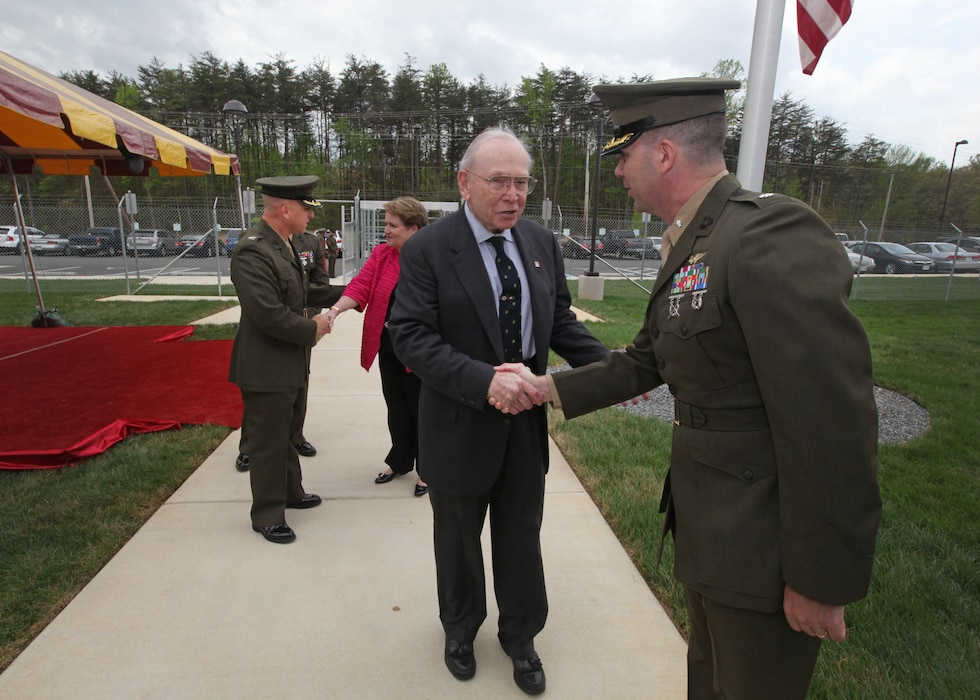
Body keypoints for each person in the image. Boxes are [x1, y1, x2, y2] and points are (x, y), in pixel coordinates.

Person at [496, 78, 882, 699]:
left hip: (763, 548)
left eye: (623, 155)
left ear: (664, 154)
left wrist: (821, 578)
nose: (618, 171)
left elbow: (831, 422)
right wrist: (548, 388)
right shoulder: (697, 238)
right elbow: (648, 359)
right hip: (712, 533)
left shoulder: (762, 236)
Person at [387, 126, 609, 695]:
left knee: (520, 537)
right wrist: (485, 381)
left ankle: (521, 638)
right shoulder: (428, 249)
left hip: (523, 432)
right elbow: (410, 335)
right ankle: (459, 629)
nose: (513, 195)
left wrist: (612, 369)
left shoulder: (538, 242)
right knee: (457, 540)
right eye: (499, 182)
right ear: (464, 182)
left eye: (522, 183)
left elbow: (558, 321)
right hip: (458, 426)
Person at [229, 175, 343, 544]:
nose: (310, 216)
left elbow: (306, 288)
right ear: (285, 209)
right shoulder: (254, 249)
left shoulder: (285, 244)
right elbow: (268, 313)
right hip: (266, 365)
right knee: (268, 441)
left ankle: (291, 492)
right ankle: (266, 513)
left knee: (288, 432)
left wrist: (356, 293)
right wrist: (314, 327)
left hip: (289, 361)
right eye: (306, 209)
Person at [323, 196, 429, 497]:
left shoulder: (431, 260)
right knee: (397, 407)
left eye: (393, 225)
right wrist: (335, 311)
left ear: (414, 229)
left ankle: (428, 470)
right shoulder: (383, 255)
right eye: (386, 224)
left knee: (422, 410)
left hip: (420, 352)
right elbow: (361, 286)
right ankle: (400, 461)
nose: (386, 230)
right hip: (389, 345)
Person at [234, 229, 331, 471]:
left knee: (299, 384)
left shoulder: (310, 241)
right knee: (264, 396)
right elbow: (263, 303)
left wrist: (315, 317)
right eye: (305, 208)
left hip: (303, 325)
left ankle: (295, 437)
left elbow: (318, 282)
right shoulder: (255, 244)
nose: (309, 215)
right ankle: (248, 447)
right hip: (277, 330)